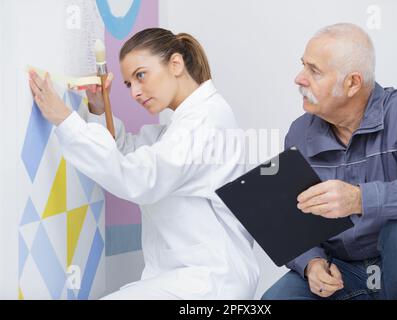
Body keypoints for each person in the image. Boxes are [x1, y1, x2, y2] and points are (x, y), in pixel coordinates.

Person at [28, 28, 259, 299]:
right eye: (128, 84)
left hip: (210, 280)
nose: (135, 92)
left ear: (175, 64)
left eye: (140, 75)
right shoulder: (187, 122)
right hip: (192, 276)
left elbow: (140, 178)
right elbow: (133, 155)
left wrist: (66, 120)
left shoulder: (204, 122)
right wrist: (101, 110)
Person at [262, 23, 397, 300]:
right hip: (344, 270)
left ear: (352, 83)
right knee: (276, 299)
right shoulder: (300, 133)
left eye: (314, 71)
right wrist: (311, 264)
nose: (299, 79)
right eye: (303, 66)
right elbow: (294, 221)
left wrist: (360, 199)